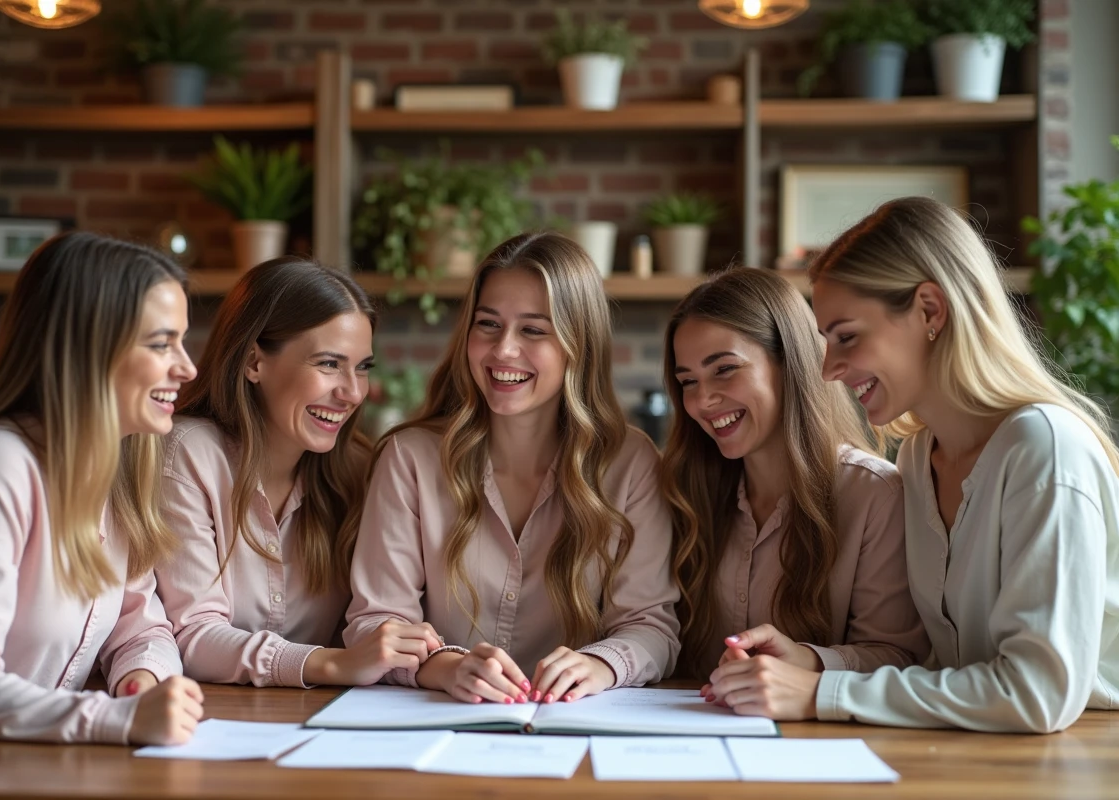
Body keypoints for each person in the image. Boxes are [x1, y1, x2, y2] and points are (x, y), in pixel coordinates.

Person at [712, 196, 1119, 733]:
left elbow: (1037, 694)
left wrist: (821, 691)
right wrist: (812, 662)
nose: (829, 369)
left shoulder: (1043, 446)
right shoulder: (916, 455)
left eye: (847, 337)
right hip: (974, 753)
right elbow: (948, 669)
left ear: (930, 309)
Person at [345, 231, 680, 705]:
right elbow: (376, 622)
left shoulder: (631, 463)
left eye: (533, 330)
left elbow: (651, 626)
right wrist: (448, 669)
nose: (503, 350)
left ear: (577, 344)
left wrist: (601, 664)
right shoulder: (410, 457)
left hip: (577, 727)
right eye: (488, 324)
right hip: (441, 721)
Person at [0, 231, 204, 744]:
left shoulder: (113, 472)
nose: (188, 367)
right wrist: (119, 720)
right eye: (162, 343)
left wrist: (143, 678)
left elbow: (140, 624)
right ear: (90, 348)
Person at [155, 257, 440, 688]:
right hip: (206, 720)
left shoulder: (359, 472)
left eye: (363, 367)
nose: (352, 392)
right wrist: (332, 663)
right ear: (254, 362)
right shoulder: (186, 454)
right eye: (329, 364)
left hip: (320, 722)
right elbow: (193, 636)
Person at [661, 268, 928, 693]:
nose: (702, 400)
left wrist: (808, 661)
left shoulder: (874, 493)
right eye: (688, 381)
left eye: (725, 370)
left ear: (792, 364)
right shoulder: (679, 490)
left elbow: (900, 656)